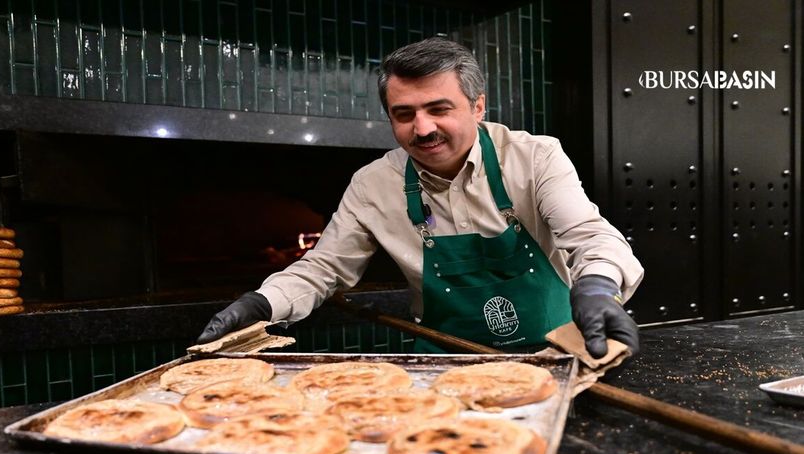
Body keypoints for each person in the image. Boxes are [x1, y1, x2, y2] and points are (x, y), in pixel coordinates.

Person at [197, 37, 644, 358]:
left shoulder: (535, 157)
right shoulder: (373, 185)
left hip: (554, 355)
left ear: (478, 106)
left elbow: (589, 237)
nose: (423, 128)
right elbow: (323, 269)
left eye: (439, 109)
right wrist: (261, 303)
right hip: (445, 364)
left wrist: (598, 287)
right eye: (404, 114)